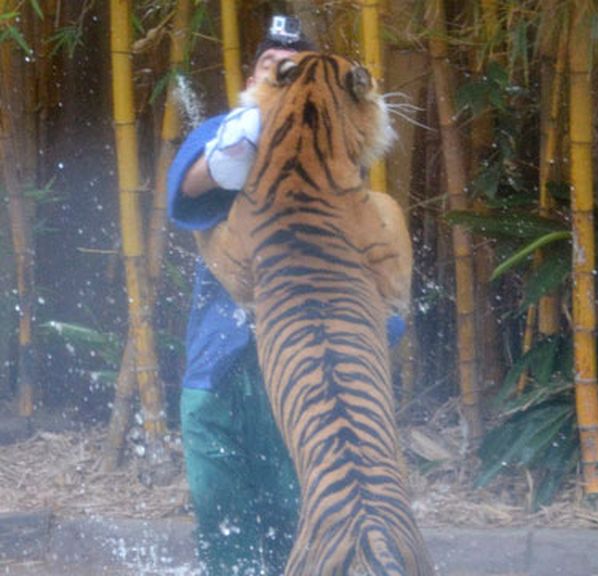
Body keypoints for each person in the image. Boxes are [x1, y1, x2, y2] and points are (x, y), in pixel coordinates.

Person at [167, 17, 405, 575]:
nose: (281, 73)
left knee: (292, 522)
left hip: (298, 381)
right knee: (218, 514)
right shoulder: (226, 135)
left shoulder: (339, 170)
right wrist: (245, 138)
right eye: (271, 65)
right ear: (252, 79)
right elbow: (189, 188)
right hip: (214, 371)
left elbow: (386, 307)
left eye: (292, 67)